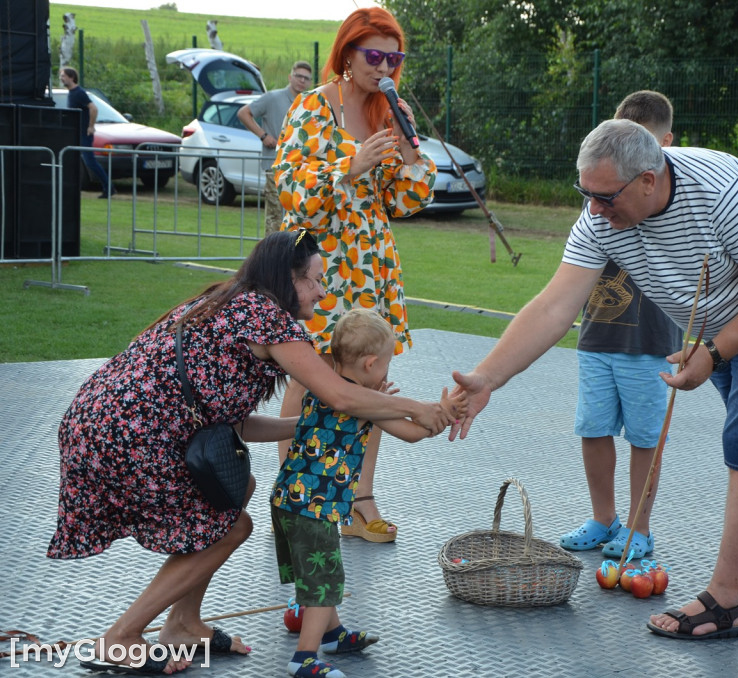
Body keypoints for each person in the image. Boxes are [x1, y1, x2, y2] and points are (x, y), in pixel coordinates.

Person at [450, 119, 738, 640]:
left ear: (649, 179)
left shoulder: (721, 190)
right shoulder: (601, 214)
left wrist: (714, 351)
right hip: (715, 322)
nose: (594, 209)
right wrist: (488, 377)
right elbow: (556, 306)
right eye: (586, 194)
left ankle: (726, 603)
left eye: (605, 197)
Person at [47, 230, 457, 675]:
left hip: (104, 422)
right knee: (233, 525)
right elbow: (341, 395)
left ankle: (183, 623)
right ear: (287, 280)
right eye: (315, 280)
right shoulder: (265, 315)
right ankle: (120, 638)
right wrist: (420, 408)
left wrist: (310, 427)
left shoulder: (229, 300)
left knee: (239, 489)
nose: (323, 291)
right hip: (128, 434)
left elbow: (235, 422)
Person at [273, 7, 437, 544]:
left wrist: (411, 151)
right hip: (320, 264)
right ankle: (299, 496)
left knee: (366, 377)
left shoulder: (387, 111)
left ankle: (359, 496)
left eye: (395, 57)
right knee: (312, 375)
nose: (385, 66)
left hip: (371, 264)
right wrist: (351, 165)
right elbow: (292, 190)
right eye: (375, 55)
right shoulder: (312, 108)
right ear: (347, 53)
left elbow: (407, 201)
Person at [272, 309, 465, 678]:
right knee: (325, 584)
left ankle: (333, 634)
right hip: (314, 507)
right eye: (388, 362)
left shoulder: (324, 385)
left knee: (321, 575)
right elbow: (412, 433)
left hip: (289, 499)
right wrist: (444, 414)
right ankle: (304, 658)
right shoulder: (363, 404)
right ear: (372, 362)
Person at [560, 91, 683, 561]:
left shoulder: (674, 205)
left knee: (645, 438)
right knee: (593, 429)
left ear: (664, 144)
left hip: (650, 344)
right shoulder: (596, 205)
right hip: (598, 337)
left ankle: (638, 529)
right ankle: (602, 518)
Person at [236, 60, 314, 237]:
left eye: (306, 78)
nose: (302, 80)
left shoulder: (309, 103)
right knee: (275, 216)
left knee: (299, 217)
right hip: (275, 168)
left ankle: (294, 258)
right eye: (298, 76)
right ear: (290, 77)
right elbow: (243, 113)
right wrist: (263, 135)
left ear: (310, 82)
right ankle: (272, 258)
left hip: (302, 169)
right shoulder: (273, 97)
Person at [59, 66, 114, 198]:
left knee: (90, 161)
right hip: (76, 133)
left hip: (84, 133)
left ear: (71, 77)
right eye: (61, 76)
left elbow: (93, 108)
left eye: (64, 76)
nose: (61, 78)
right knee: (72, 159)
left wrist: (91, 126)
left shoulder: (79, 93)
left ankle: (109, 187)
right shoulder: (71, 93)